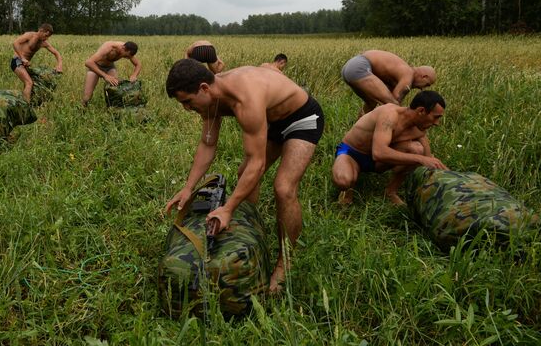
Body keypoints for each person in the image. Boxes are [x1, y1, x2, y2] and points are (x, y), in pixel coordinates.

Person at [164, 59, 324, 292]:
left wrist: (228, 208)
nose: (186, 109)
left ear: (204, 88)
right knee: (243, 174)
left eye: (187, 102)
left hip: (301, 118)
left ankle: (285, 261)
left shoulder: (244, 98)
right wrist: (188, 188)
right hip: (272, 121)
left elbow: (257, 165)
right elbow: (208, 145)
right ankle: (251, 232)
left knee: (283, 187)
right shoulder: (210, 101)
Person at [331, 90, 448, 206]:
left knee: (417, 149)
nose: (437, 123)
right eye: (435, 117)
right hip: (352, 153)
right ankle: (348, 190)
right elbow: (379, 153)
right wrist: (420, 159)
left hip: (377, 163)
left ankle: (390, 192)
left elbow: (429, 160)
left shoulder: (419, 129)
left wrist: (451, 177)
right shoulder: (389, 114)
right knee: (343, 180)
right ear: (421, 111)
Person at [341, 50, 436, 115]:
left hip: (350, 66)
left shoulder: (401, 72)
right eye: (427, 84)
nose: (422, 88)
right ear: (424, 76)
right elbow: (393, 104)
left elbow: (385, 96)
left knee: (371, 103)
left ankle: (357, 135)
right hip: (360, 67)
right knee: (392, 105)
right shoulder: (408, 75)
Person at [11, 23, 63, 102]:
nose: (47, 38)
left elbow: (56, 53)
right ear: (41, 31)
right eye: (46, 35)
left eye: (48, 36)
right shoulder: (29, 35)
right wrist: (22, 58)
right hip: (17, 61)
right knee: (29, 83)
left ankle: (26, 102)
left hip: (25, 64)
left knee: (33, 82)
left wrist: (59, 65)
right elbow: (15, 43)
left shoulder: (43, 42)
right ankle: (27, 108)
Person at [82, 41, 141, 106]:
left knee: (115, 92)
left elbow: (138, 64)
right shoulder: (109, 47)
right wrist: (105, 76)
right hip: (95, 67)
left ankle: (112, 110)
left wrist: (134, 75)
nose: (127, 58)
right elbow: (88, 62)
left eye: (128, 57)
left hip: (109, 68)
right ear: (123, 48)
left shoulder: (129, 49)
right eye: (126, 56)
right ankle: (82, 110)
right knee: (86, 98)